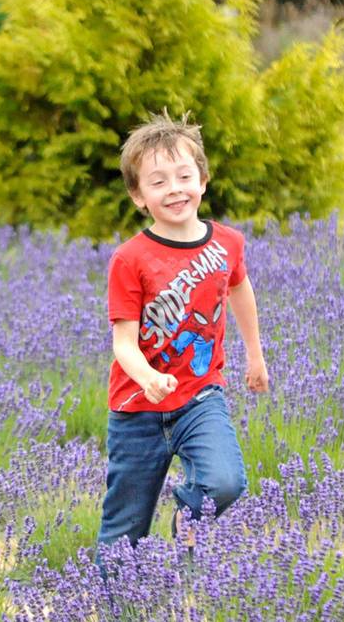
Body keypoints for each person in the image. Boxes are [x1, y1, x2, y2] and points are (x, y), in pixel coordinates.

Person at [96, 110, 269, 564]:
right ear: (138, 196)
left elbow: (239, 289)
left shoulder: (227, 243)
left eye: (183, 176)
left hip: (199, 395)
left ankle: (187, 518)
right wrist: (147, 376)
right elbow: (123, 343)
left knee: (225, 482)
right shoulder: (129, 259)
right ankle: (116, 607)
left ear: (203, 181)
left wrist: (255, 356)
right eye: (157, 181)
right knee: (124, 531)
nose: (174, 188)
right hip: (137, 410)